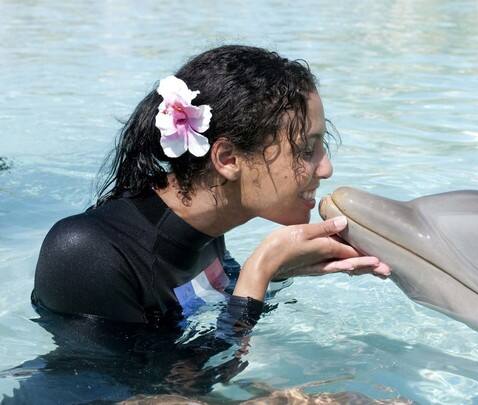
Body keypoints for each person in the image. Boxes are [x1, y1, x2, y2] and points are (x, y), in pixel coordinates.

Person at [31, 44, 391, 332]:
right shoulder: (87, 253)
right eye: (305, 150)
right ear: (228, 158)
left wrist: (281, 270)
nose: (325, 168)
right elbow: (152, 392)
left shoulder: (204, 230)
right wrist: (260, 270)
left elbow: (204, 347)